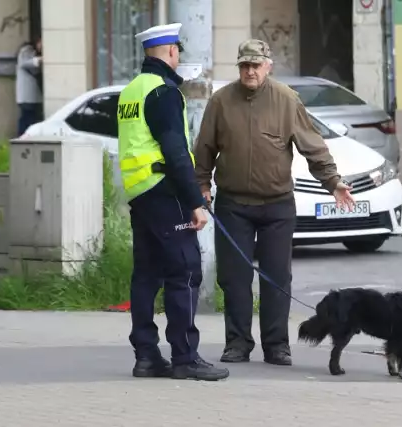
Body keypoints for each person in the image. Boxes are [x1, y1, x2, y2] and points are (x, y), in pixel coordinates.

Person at [193, 39, 355, 366]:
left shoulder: (286, 100)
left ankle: (277, 345)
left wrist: (333, 183)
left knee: (277, 278)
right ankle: (237, 343)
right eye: (244, 65)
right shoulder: (221, 102)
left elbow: (314, 148)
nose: (250, 71)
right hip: (233, 205)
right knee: (235, 279)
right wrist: (202, 187)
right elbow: (204, 149)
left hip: (277, 205)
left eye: (256, 65)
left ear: (268, 66)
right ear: (239, 67)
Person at [118, 22, 229, 381]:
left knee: (147, 275)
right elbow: (176, 152)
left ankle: (146, 356)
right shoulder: (164, 92)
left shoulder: (131, 91)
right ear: (170, 52)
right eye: (178, 50)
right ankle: (185, 358)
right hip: (165, 192)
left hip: (140, 194)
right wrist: (195, 201)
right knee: (184, 272)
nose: (178, 56)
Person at [15, 36, 44, 136]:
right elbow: (25, 63)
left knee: (31, 118)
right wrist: (39, 60)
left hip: (33, 96)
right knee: (27, 117)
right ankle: (22, 136)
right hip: (27, 95)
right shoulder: (27, 50)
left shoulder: (33, 52)